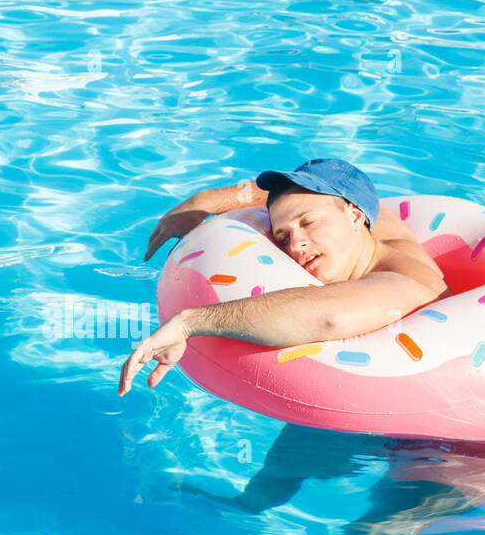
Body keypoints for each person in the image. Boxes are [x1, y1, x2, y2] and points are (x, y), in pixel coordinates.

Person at [118, 158, 447, 396]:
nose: (296, 244)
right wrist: (204, 201)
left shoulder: (404, 279)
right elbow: (294, 200)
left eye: (308, 224)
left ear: (356, 215)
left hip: (443, 427)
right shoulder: (364, 221)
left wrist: (188, 323)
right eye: (282, 235)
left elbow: (331, 316)